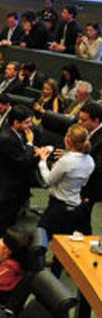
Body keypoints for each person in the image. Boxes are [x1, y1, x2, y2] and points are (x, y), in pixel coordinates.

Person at [0, 106, 44, 257]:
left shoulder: (17, 135)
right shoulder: (7, 138)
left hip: (16, 191)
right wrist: (31, 146)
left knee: (6, 228)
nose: (30, 126)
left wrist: (37, 153)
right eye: (27, 122)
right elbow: (23, 161)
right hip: (8, 192)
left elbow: (24, 157)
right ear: (16, 122)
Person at [38, 124, 95, 238]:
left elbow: (49, 180)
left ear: (68, 140)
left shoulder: (66, 161)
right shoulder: (90, 160)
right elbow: (83, 182)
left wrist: (42, 162)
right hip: (76, 206)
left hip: (58, 207)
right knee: (64, 240)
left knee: (41, 236)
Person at [75, 102, 102, 234]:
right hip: (83, 187)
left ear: (96, 121)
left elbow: (98, 169)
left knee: (82, 224)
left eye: (83, 120)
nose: (79, 122)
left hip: (90, 189)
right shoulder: (89, 133)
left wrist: (89, 195)